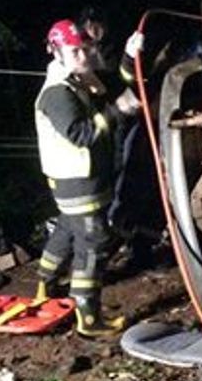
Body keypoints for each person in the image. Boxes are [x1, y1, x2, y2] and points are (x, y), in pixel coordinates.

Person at [34, 19, 141, 337]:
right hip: (77, 179)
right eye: (75, 51)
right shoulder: (57, 93)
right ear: (57, 53)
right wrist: (119, 111)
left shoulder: (80, 78)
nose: (84, 55)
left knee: (68, 227)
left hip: (84, 176)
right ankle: (88, 315)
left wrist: (130, 56)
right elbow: (81, 134)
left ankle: (45, 283)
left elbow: (121, 83)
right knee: (94, 242)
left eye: (85, 48)